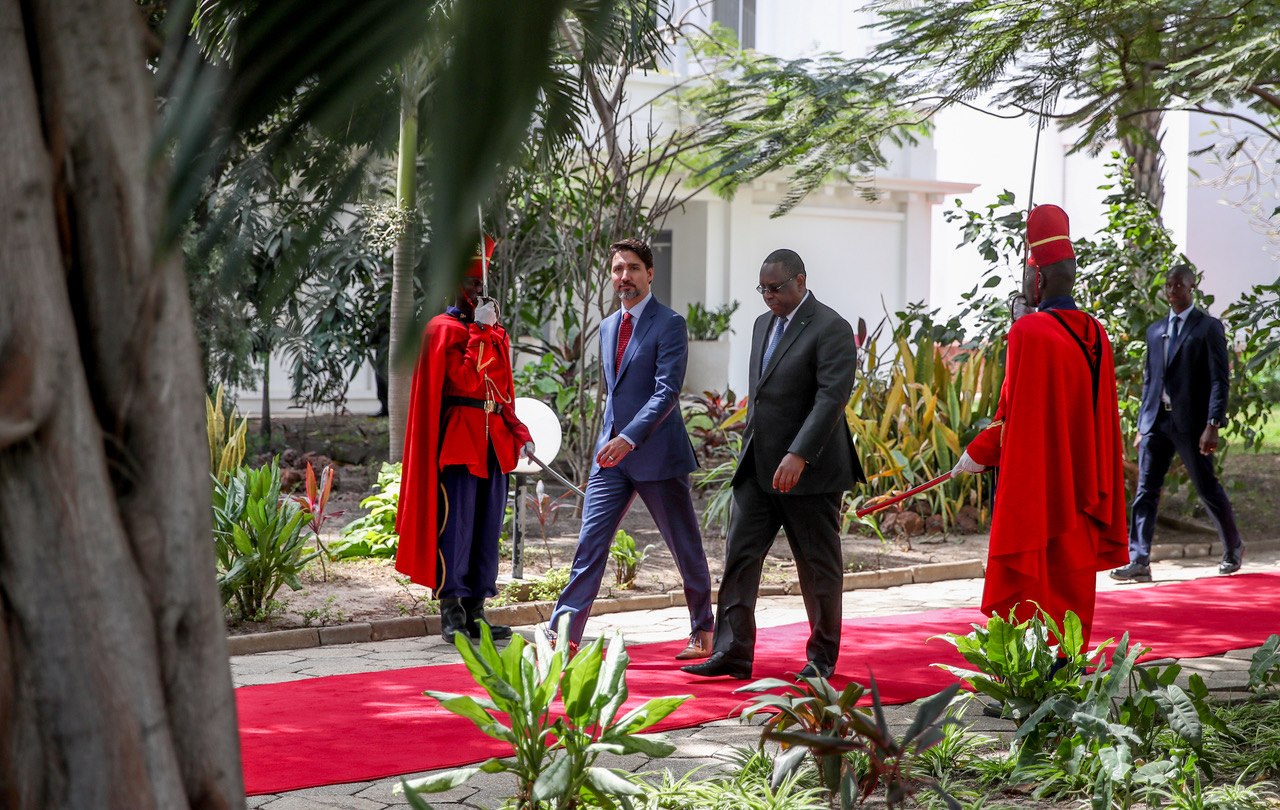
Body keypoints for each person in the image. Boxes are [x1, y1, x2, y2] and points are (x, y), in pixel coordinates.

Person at [951, 204, 1128, 652]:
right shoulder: (1097, 333)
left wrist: (976, 453)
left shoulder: (1029, 333)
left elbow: (1012, 417)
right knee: (1072, 595)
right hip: (1087, 490)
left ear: (1038, 280)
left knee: (1035, 592)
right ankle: (1067, 676)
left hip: (1044, 493)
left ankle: (1028, 687)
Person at [682, 249, 862, 681]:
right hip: (757, 467)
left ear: (801, 280)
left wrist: (798, 454)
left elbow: (830, 398)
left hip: (810, 472)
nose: (768, 297)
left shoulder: (831, 327)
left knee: (818, 569)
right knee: (739, 559)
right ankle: (733, 651)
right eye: (762, 288)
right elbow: (762, 396)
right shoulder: (763, 324)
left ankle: (821, 660)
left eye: (776, 288)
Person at [546, 238, 716, 658]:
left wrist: (629, 438)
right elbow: (616, 393)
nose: (625, 277)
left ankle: (703, 630)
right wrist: (610, 441)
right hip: (612, 459)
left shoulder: (670, 323)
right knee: (589, 545)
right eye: (618, 269)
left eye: (634, 268)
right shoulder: (606, 327)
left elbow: (667, 392)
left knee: (685, 546)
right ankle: (562, 635)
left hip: (658, 454)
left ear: (650, 272)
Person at [395, 236, 534, 642]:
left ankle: (477, 611)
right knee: (455, 527)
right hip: (459, 442)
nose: (480, 292)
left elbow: (501, 390)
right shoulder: (444, 329)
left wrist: (519, 431)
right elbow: (467, 379)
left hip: (492, 444)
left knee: (486, 529)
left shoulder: (493, 332)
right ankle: (452, 612)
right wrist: (480, 331)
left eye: (484, 285)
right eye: (473, 284)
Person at [1111, 264, 1243, 582]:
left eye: (1178, 285)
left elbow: (1218, 380)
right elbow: (1149, 380)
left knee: (1206, 487)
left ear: (1191, 287)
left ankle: (1233, 547)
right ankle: (1139, 561)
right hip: (1157, 422)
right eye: (1168, 285)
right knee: (1145, 491)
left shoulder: (1207, 327)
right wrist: (1144, 426)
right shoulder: (1156, 331)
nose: (1172, 291)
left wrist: (1212, 423)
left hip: (1192, 424)